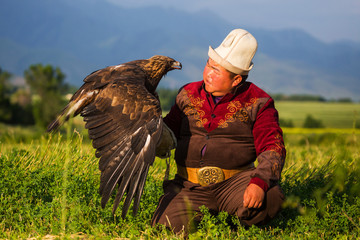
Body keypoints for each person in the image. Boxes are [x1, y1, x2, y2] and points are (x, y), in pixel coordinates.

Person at [152, 29, 286, 235]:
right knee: (165, 228)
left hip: (235, 185)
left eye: (217, 70)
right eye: (208, 65)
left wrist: (259, 183)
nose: (208, 74)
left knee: (271, 196)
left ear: (236, 80)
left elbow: (273, 147)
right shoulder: (187, 93)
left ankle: (232, 223)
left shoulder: (259, 102)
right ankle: (217, 221)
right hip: (189, 185)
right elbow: (167, 132)